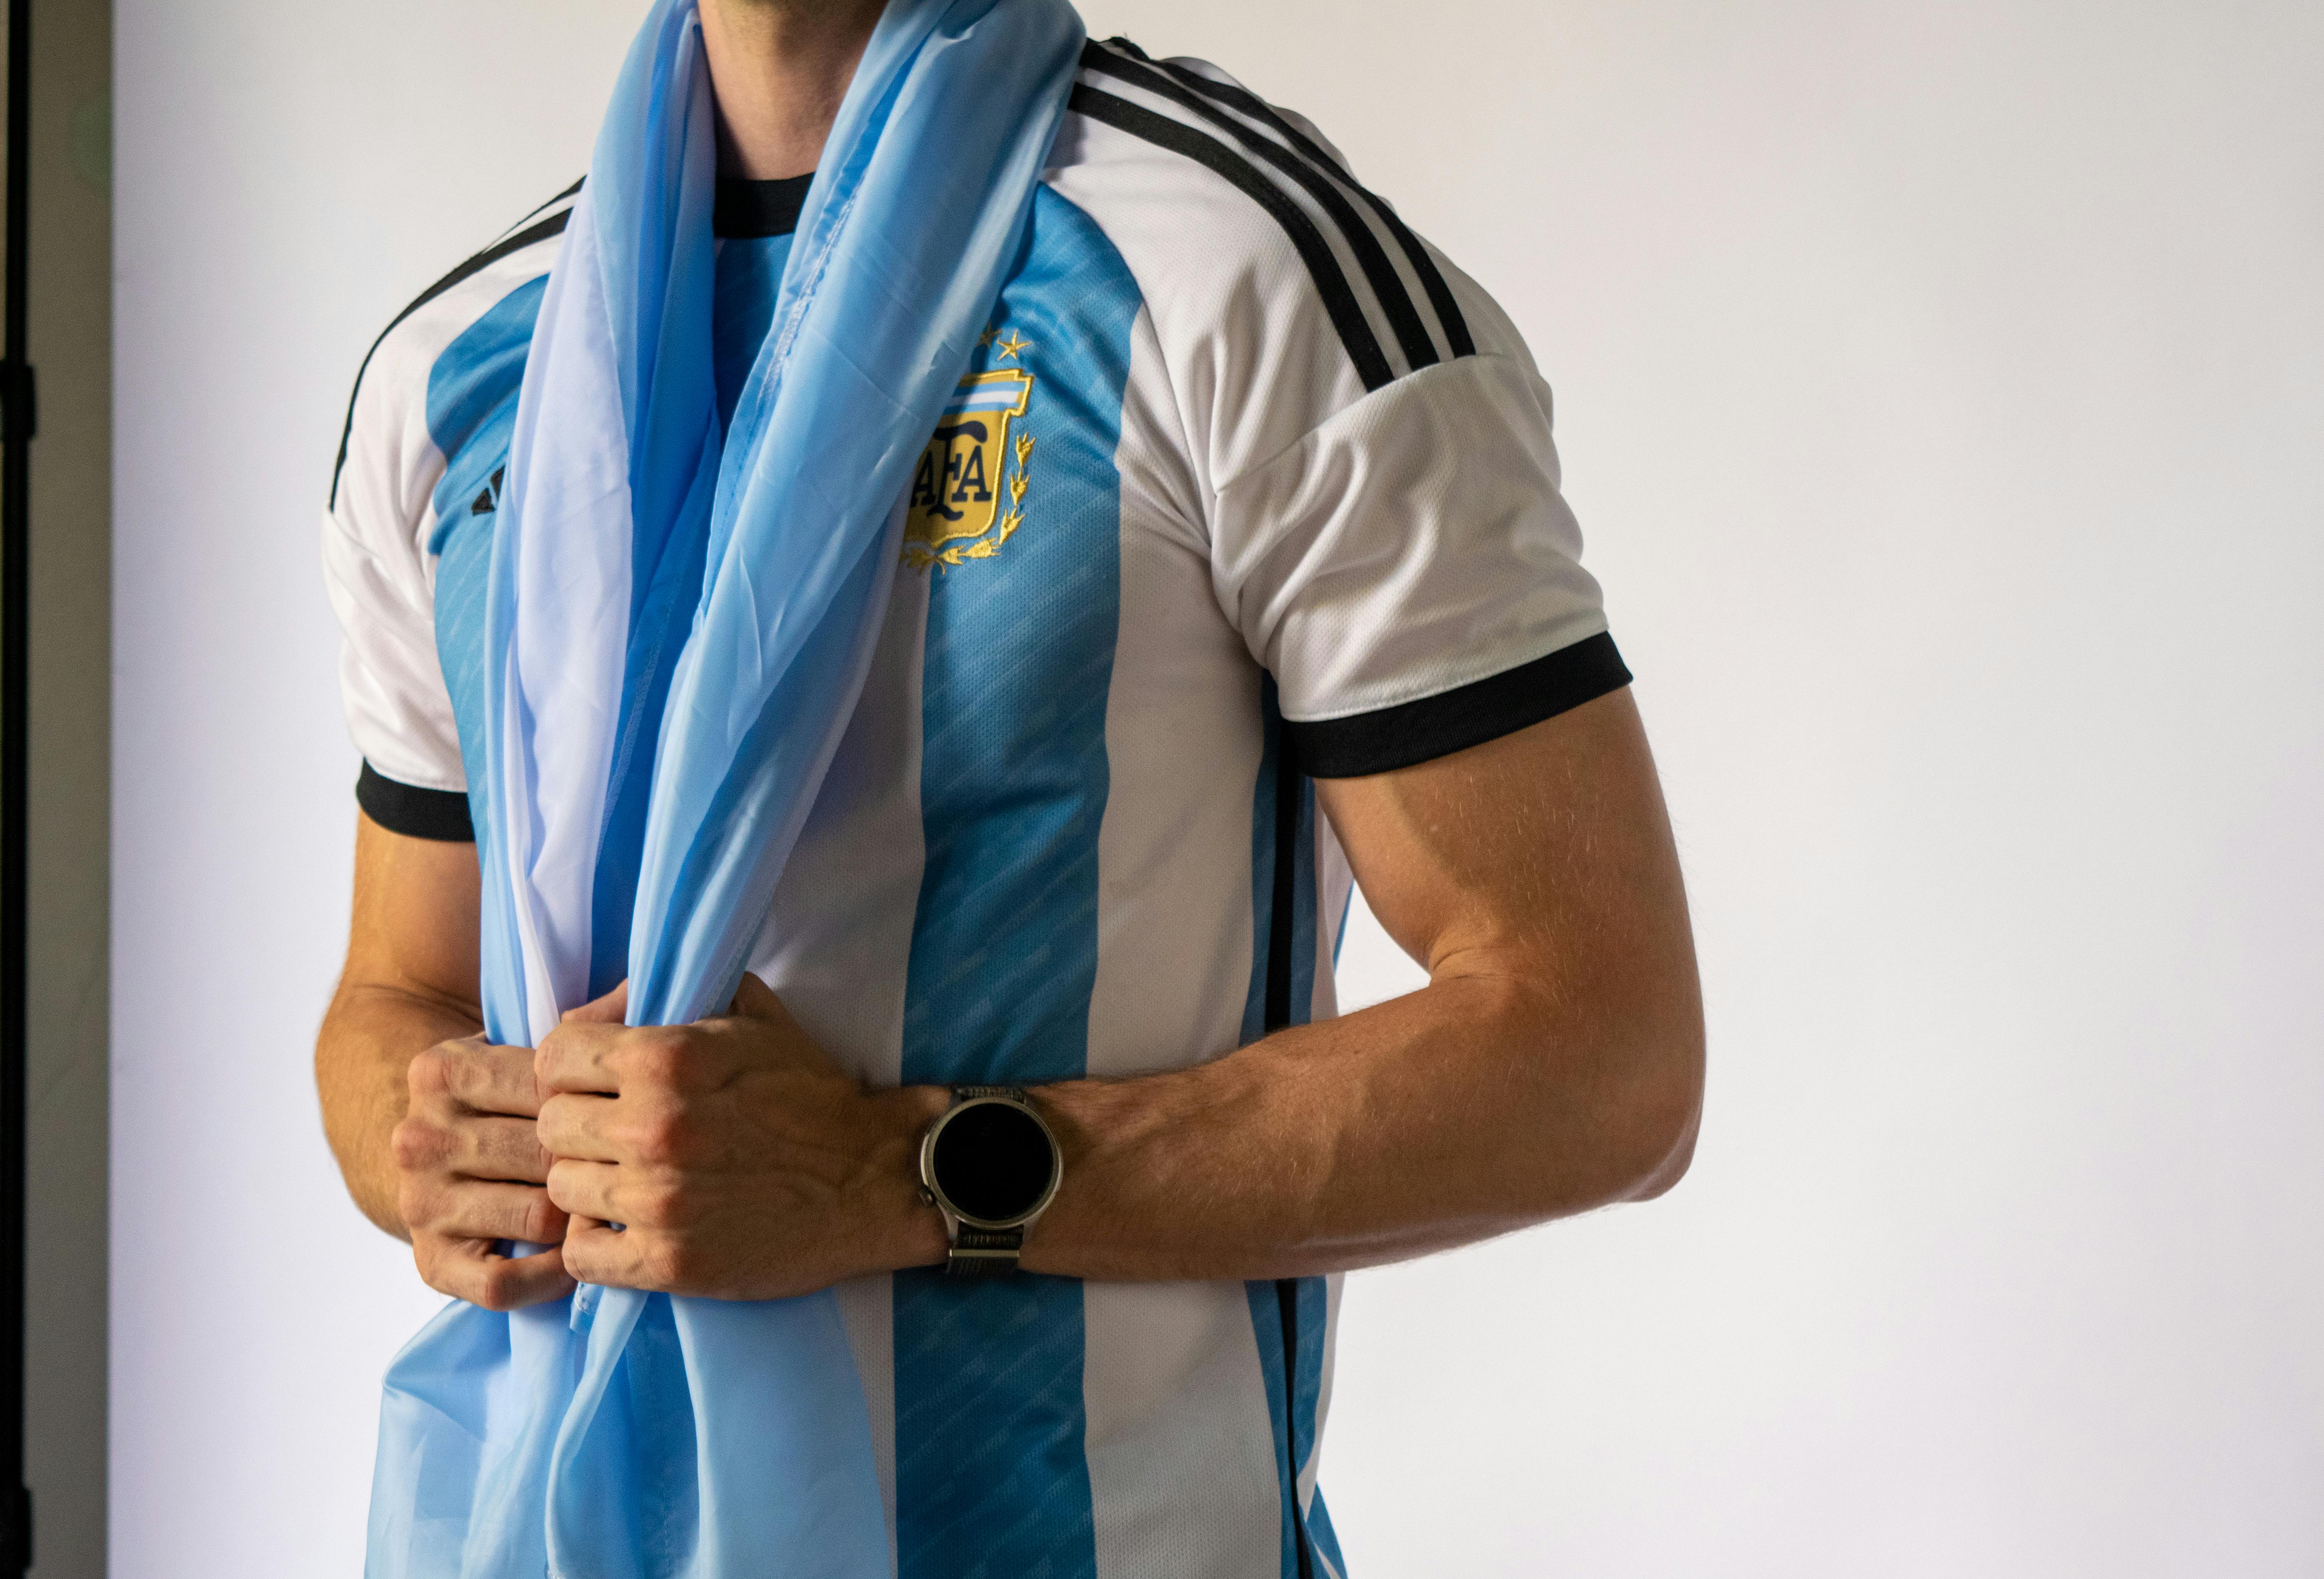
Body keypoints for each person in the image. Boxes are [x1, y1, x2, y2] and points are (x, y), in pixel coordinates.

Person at [315, 2, 1703, 1573]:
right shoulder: (455, 371)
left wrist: (894, 1174)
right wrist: (428, 1141)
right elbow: (398, 993)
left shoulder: (1238, 273)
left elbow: (1605, 1050)